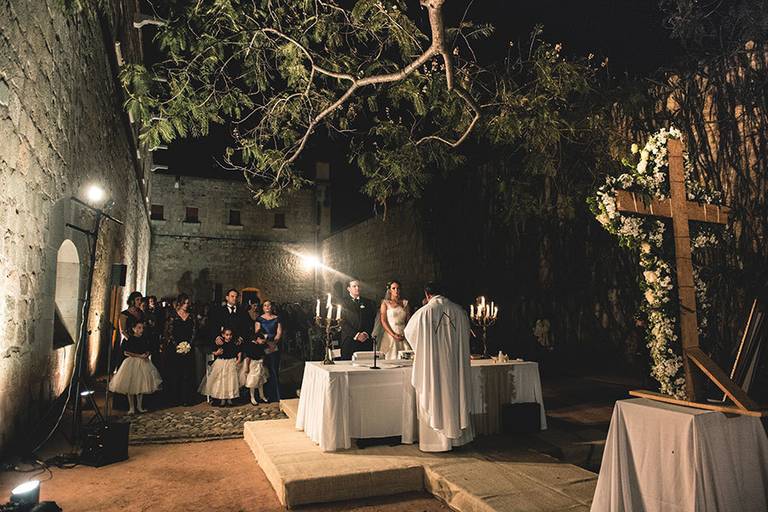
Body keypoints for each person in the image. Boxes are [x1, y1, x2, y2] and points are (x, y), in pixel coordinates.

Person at [404, 282, 474, 452]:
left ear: (427, 295)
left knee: (433, 392)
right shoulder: (459, 312)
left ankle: (435, 444)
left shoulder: (423, 313)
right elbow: (466, 337)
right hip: (454, 367)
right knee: (455, 395)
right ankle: (457, 440)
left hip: (433, 366)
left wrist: (426, 349)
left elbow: (409, 334)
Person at [109, 320, 162, 414]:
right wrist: (139, 356)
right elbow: (126, 352)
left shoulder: (145, 339)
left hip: (143, 363)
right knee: (131, 385)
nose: (141, 330)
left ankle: (139, 406)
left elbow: (148, 349)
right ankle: (131, 407)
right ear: (133, 329)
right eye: (139, 328)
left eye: (142, 328)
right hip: (131, 363)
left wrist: (146, 354)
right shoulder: (129, 339)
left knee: (141, 385)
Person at [164, 293, 197, 406]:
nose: (187, 305)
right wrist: (177, 345)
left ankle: (186, 399)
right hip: (175, 348)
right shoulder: (173, 316)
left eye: (188, 303)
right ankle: (175, 399)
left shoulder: (191, 316)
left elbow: (194, 331)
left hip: (188, 347)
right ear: (180, 303)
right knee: (175, 373)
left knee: (187, 374)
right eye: (185, 303)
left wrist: (188, 345)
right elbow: (169, 332)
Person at [199, 328, 241, 406]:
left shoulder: (234, 343)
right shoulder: (220, 343)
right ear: (223, 335)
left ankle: (229, 399)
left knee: (230, 381)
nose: (229, 337)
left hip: (231, 362)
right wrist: (216, 353)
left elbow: (238, 351)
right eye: (227, 335)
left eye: (230, 335)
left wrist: (239, 358)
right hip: (221, 362)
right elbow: (213, 351)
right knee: (221, 381)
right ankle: (222, 399)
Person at [339, 280, 376, 360]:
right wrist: (356, 335)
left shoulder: (368, 302)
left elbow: (371, 320)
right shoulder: (342, 303)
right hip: (349, 341)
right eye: (354, 286)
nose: (357, 288)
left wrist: (366, 333)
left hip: (365, 341)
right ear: (348, 288)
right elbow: (342, 322)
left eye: (359, 286)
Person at [374, 280, 412, 359]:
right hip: (390, 332)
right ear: (389, 290)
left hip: (403, 333)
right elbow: (383, 321)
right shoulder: (385, 303)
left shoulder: (405, 303)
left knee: (405, 357)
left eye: (398, 288)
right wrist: (393, 334)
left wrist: (406, 334)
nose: (396, 290)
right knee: (391, 357)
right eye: (393, 288)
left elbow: (408, 321)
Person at [254, 300, 282, 402]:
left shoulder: (277, 318)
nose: (267, 307)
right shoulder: (259, 319)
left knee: (274, 370)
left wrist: (274, 343)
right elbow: (257, 333)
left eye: (269, 305)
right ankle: (263, 395)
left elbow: (279, 333)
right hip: (263, 346)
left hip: (274, 345)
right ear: (263, 307)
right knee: (263, 371)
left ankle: (275, 395)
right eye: (265, 305)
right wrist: (264, 342)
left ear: (271, 307)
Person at [239, 336, 268, 405]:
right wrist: (247, 367)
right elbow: (248, 357)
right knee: (252, 382)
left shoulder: (260, 346)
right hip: (253, 364)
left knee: (260, 381)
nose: (263, 342)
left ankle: (262, 396)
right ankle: (252, 397)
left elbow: (263, 354)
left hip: (259, 364)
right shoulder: (251, 346)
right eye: (262, 341)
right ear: (258, 338)